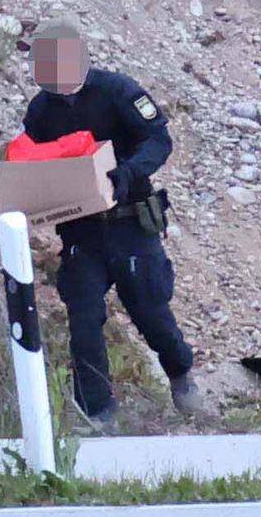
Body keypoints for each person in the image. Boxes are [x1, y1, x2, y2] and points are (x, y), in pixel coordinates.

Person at [21, 22, 201, 427]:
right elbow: (28, 161)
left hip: (131, 224)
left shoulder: (117, 91)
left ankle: (181, 377)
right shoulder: (41, 110)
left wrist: (127, 173)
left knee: (150, 310)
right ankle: (98, 412)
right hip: (82, 231)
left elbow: (159, 140)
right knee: (83, 318)